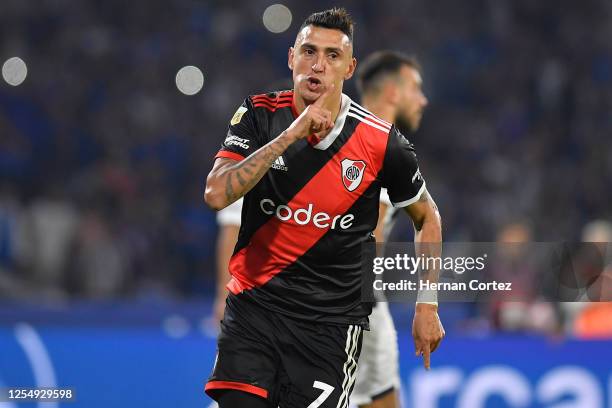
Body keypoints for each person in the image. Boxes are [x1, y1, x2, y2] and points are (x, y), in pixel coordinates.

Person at [204, 8, 444, 408]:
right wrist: (291, 136)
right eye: (309, 51)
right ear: (291, 57)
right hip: (254, 312)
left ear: (349, 68)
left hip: (329, 328)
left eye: (332, 56)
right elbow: (216, 194)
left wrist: (428, 302)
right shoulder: (260, 115)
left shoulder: (381, 143)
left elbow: (427, 217)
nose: (318, 65)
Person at [350, 51, 431, 408]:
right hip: (352, 301)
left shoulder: (341, 132)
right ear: (393, 92)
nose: (423, 99)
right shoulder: (380, 146)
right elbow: (370, 233)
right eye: (416, 88)